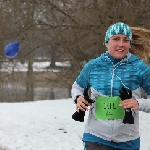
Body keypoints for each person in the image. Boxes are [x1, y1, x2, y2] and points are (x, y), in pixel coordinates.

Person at [71, 22, 150, 150]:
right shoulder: (93, 66)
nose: (121, 44)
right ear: (107, 41)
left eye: (126, 40)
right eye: (116, 39)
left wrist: (139, 103)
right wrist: (78, 97)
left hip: (128, 140)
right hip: (95, 137)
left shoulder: (140, 68)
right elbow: (77, 87)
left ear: (130, 44)